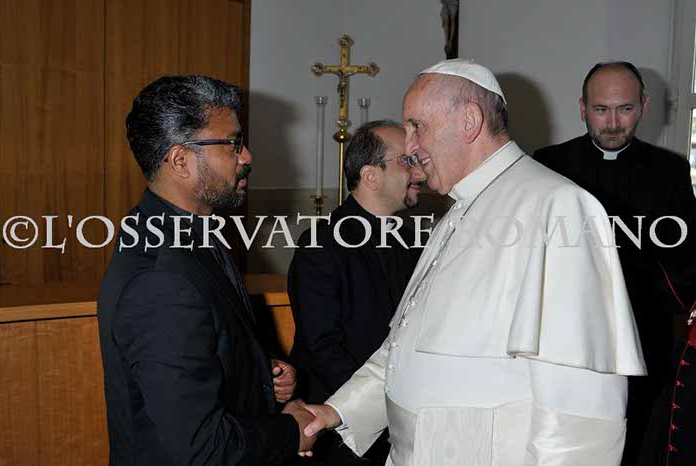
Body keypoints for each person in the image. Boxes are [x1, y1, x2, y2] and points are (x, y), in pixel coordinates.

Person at [299, 58, 647, 466]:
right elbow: (403, 350)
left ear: (468, 121)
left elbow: (583, 408)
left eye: (417, 126)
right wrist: (337, 411)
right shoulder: (456, 213)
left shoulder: (557, 206)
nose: (410, 146)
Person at [97, 75, 315, 465]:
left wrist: (260, 375)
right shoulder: (160, 279)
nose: (246, 157)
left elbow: (206, 344)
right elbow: (201, 446)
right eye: (232, 144)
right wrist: (291, 430)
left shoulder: (190, 230)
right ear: (181, 160)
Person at [533, 61, 696, 465]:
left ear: (643, 106)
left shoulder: (670, 171)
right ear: (582, 108)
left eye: (624, 109)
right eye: (601, 110)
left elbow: (684, 260)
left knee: (640, 440)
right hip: (568, 335)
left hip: (644, 334)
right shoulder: (549, 164)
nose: (612, 123)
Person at [288, 120, 426, 465]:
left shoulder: (414, 241)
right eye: (407, 161)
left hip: (401, 422)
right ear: (371, 175)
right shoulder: (321, 244)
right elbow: (321, 346)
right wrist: (381, 407)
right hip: (339, 432)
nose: (419, 172)